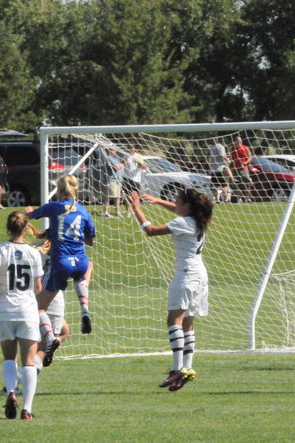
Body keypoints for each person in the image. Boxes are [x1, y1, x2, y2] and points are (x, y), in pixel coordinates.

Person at [129, 188, 213, 392]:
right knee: (188, 322)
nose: (175, 204)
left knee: (174, 320)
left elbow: (151, 231)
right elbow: (177, 211)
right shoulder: (199, 219)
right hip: (200, 275)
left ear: (187, 206)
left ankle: (177, 369)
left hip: (186, 275)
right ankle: (187, 367)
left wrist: (137, 209)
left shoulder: (183, 222)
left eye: (178, 201)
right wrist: (158, 201)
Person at [25, 174, 95, 366]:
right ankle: (85, 309)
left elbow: (32, 214)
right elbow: (91, 240)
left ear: (59, 190)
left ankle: (50, 338)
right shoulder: (83, 210)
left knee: (39, 309)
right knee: (80, 276)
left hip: (61, 262)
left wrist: (28, 213)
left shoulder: (54, 207)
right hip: (80, 259)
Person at [0, 211, 43, 420]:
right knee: (29, 362)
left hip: (5, 309)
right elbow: (38, 287)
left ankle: (11, 391)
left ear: (8, 228)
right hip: (27, 310)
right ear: (26, 229)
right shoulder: (33, 253)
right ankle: (27, 409)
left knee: (9, 358)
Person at [102, 146, 124, 218]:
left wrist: (121, 165)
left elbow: (122, 166)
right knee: (109, 196)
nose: (115, 151)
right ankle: (105, 212)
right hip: (112, 180)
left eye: (115, 150)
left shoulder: (116, 158)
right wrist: (121, 165)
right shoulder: (108, 158)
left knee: (117, 197)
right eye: (113, 150)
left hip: (119, 180)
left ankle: (117, 211)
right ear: (110, 150)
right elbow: (117, 167)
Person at [230, 135, 253, 202]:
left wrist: (245, 162)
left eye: (239, 141)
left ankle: (248, 198)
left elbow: (250, 157)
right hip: (235, 169)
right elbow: (231, 157)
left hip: (244, 168)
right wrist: (231, 163)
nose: (238, 142)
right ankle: (239, 198)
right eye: (237, 141)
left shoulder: (245, 148)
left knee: (247, 183)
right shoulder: (232, 148)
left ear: (241, 141)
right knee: (237, 184)